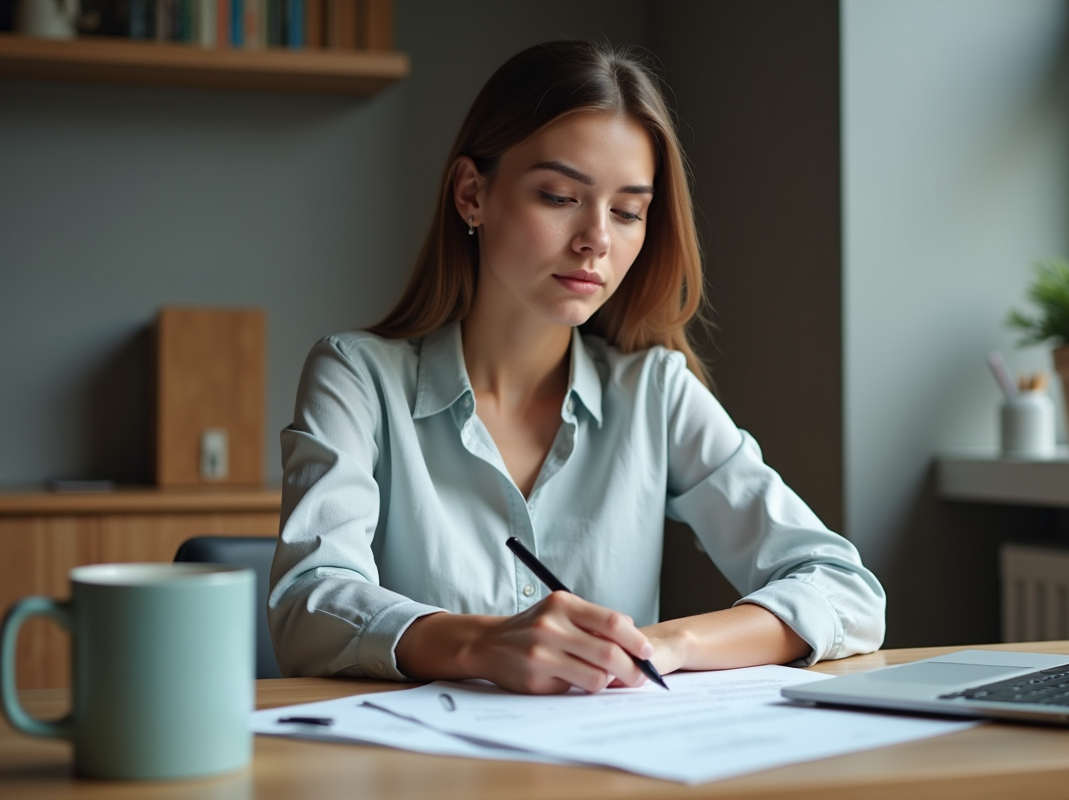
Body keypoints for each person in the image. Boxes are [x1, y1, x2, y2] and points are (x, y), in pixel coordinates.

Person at [268, 40, 885, 695]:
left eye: (627, 212)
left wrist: (664, 645)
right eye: (560, 196)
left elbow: (845, 590)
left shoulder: (656, 394)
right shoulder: (356, 378)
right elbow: (308, 604)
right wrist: (481, 643)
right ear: (472, 194)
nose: (596, 238)